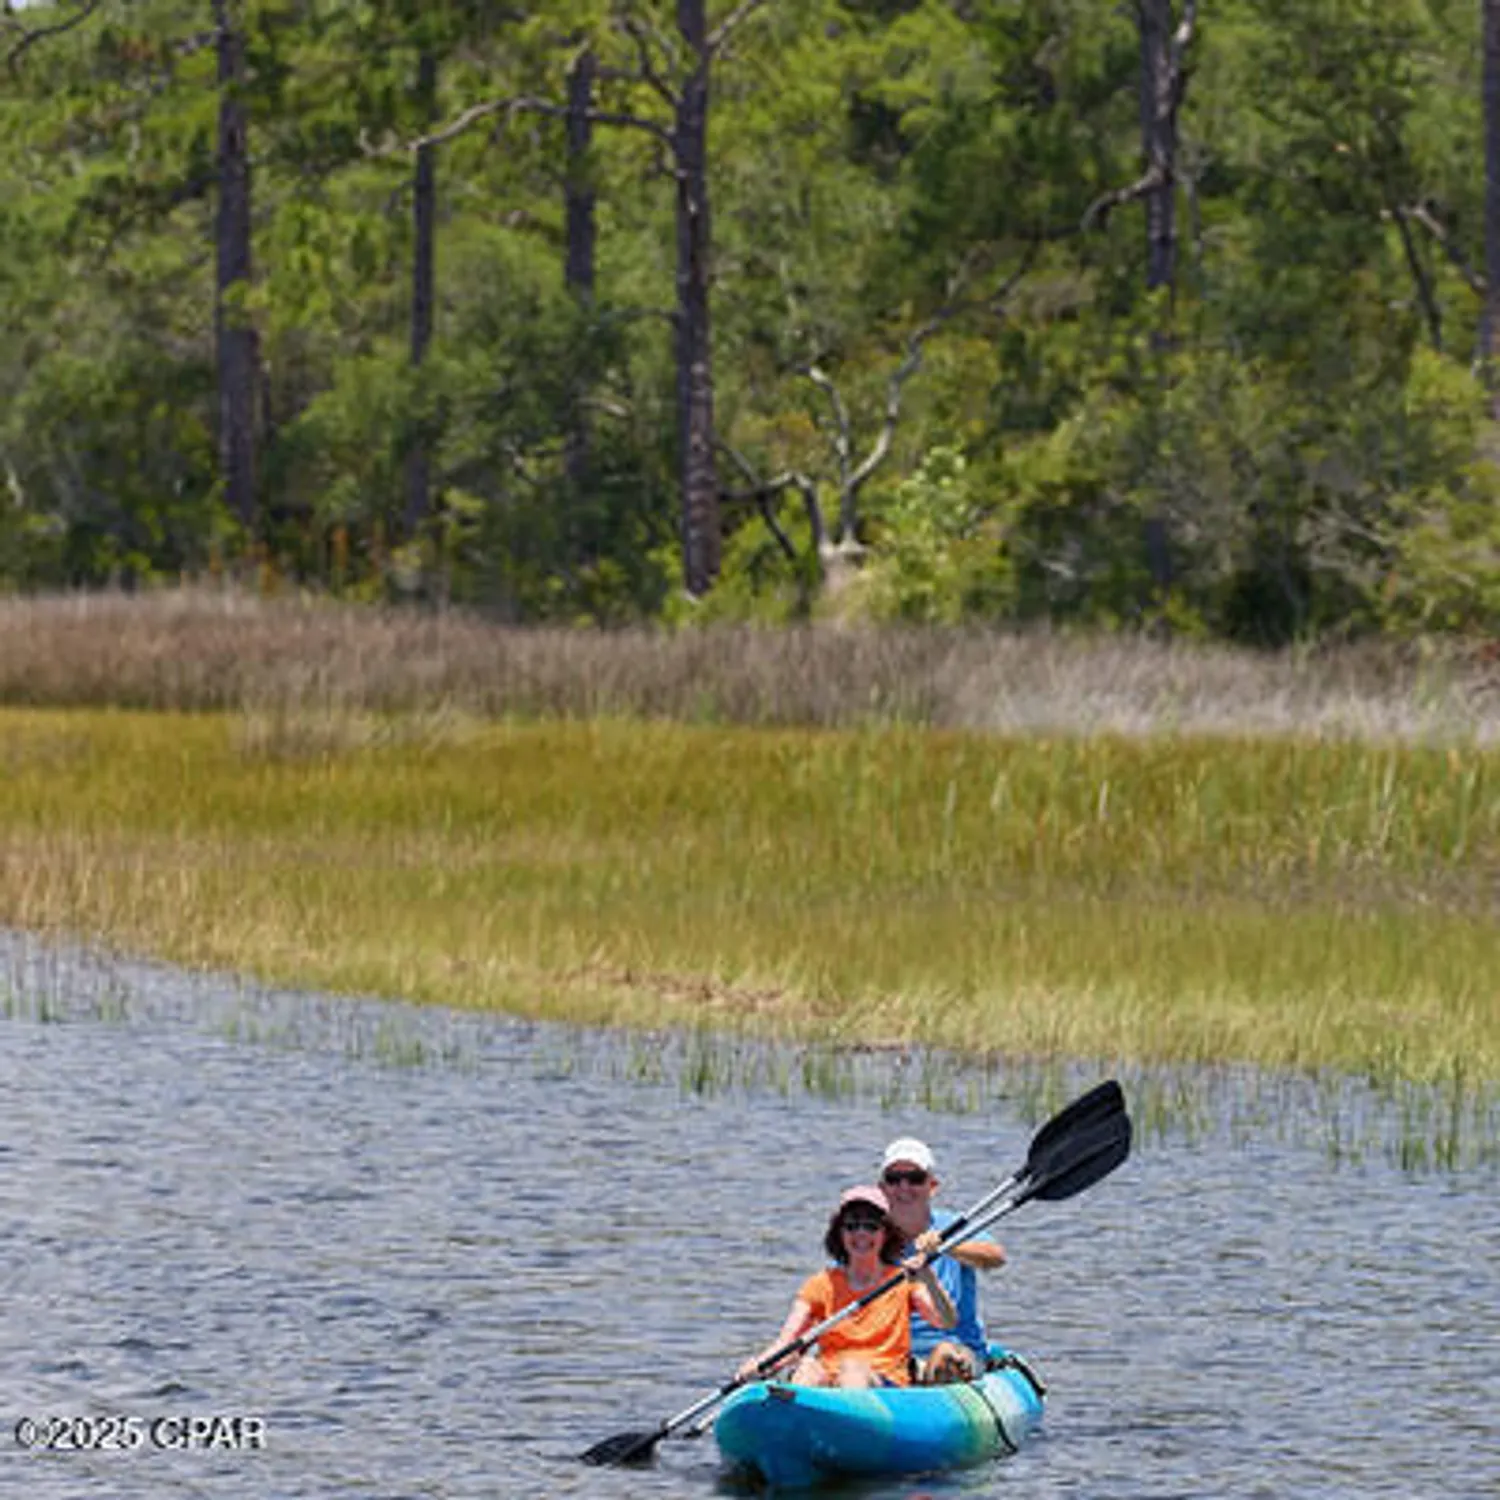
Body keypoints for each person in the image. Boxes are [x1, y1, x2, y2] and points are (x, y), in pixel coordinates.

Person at [740, 1185, 956, 1389]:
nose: (861, 1233)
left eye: (871, 1226)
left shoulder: (903, 1280)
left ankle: (847, 1423)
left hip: (882, 1382)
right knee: (807, 1368)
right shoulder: (820, 1285)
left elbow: (946, 1321)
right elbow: (786, 1343)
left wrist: (927, 1276)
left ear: (885, 1234)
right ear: (840, 1233)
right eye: (852, 1225)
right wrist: (759, 1365)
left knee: (852, 1370)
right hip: (831, 1378)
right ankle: (796, 1421)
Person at [879, 1136, 1005, 1384]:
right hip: (891, 1354)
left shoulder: (953, 1226)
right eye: (894, 1179)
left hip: (957, 1349)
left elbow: (996, 1258)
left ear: (932, 1185)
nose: (904, 1187)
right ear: (882, 1188)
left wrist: (949, 1247)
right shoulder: (865, 1235)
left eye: (915, 1179)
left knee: (944, 1355)